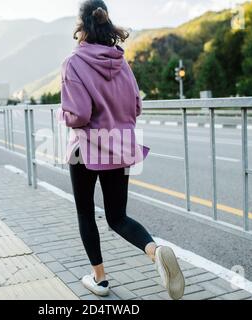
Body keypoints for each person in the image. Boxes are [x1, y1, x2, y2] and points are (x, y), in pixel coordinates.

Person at [56, 0, 185, 300]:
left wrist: (63, 115)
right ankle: (155, 251)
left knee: (86, 213)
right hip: (120, 147)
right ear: (106, 22)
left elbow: (80, 115)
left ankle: (100, 280)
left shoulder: (73, 63)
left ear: (80, 26)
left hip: (85, 149)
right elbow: (136, 106)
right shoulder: (121, 62)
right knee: (118, 217)